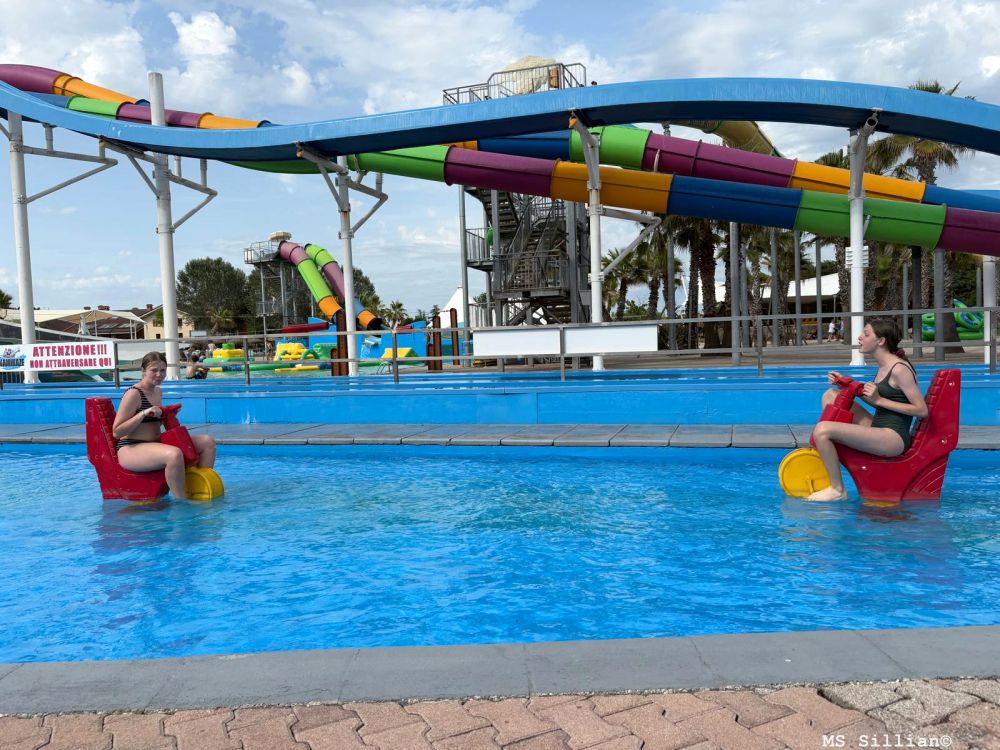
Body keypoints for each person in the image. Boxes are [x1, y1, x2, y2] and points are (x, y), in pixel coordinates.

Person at [807, 318, 928, 501]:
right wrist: (848, 385)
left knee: (822, 430)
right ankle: (832, 447)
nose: (860, 337)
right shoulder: (884, 367)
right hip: (879, 427)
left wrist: (879, 399)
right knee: (831, 395)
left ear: (881, 341)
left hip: (893, 438)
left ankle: (837, 489)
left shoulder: (899, 369)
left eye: (866, 334)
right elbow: (879, 403)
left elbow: (921, 410)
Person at [113, 351, 216, 500]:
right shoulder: (134, 394)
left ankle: (197, 484)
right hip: (130, 448)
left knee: (207, 443)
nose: (159, 375)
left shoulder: (157, 391)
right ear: (143, 371)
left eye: (162, 370)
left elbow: (152, 424)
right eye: (154, 370)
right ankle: (182, 501)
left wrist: (168, 415)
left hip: (154, 443)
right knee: (174, 455)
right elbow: (117, 431)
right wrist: (143, 414)